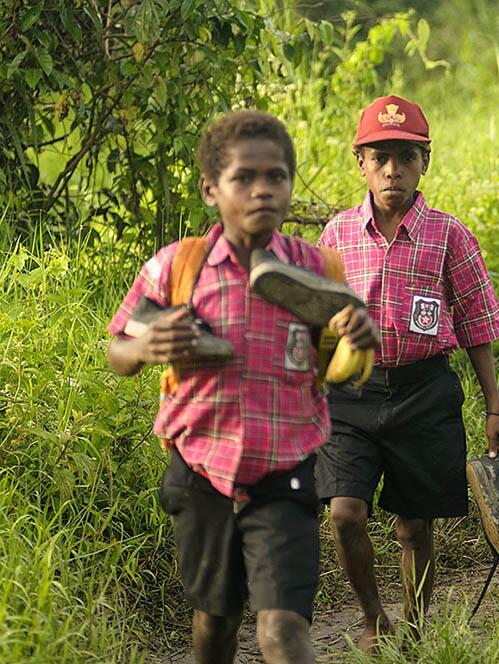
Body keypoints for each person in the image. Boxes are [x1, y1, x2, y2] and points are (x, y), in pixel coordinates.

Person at [107, 110, 375, 664]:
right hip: (201, 469)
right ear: (210, 189)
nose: (262, 190)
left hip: (286, 472)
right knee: (217, 621)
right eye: (244, 178)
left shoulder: (318, 268)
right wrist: (143, 348)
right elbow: (119, 350)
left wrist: (360, 333)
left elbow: (346, 357)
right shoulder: (178, 268)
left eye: (276, 177)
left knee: (283, 632)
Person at [315, 95, 499, 652]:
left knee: (413, 525)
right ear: (360, 162)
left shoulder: (450, 235)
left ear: (425, 160)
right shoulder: (336, 235)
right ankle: (374, 618)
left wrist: (493, 408)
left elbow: (477, 326)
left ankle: (418, 628)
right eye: (379, 158)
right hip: (350, 394)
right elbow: (319, 321)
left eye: (405, 157)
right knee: (345, 514)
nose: (391, 170)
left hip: (424, 391)